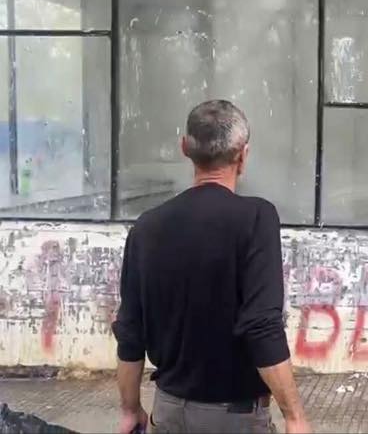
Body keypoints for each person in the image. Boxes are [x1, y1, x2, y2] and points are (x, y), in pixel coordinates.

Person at [112, 100, 310, 434]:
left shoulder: (146, 227)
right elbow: (261, 325)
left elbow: (130, 331)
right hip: (234, 419)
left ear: (185, 148)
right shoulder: (256, 218)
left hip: (169, 414)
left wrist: (130, 410)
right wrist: (295, 417)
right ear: (243, 155)